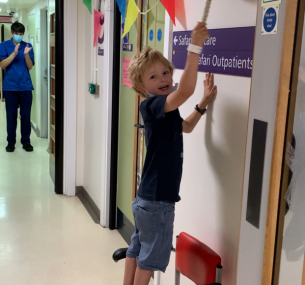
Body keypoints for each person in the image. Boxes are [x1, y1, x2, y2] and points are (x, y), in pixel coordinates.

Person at [123, 22, 217, 285]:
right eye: (153, 77)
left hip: (146, 200)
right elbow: (184, 90)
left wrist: (203, 104)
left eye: (165, 72)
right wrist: (195, 47)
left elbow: (184, 127)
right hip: (157, 203)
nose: (163, 79)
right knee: (150, 259)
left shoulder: (166, 109)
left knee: (137, 249)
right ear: (141, 86)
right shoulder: (152, 105)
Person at [0, 21, 35, 152]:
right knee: (11, 116)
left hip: (26, 86)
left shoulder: (28, 46)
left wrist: (26, 54)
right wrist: (14, 53)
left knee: (26, 116)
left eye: (21, 34)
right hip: (10, 87)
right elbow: (2, 65)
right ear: (12, 33)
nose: (19, 36)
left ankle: (26, 141)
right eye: (16, 33)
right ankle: (11, 142)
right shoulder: (3, 45)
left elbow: (30, 66)